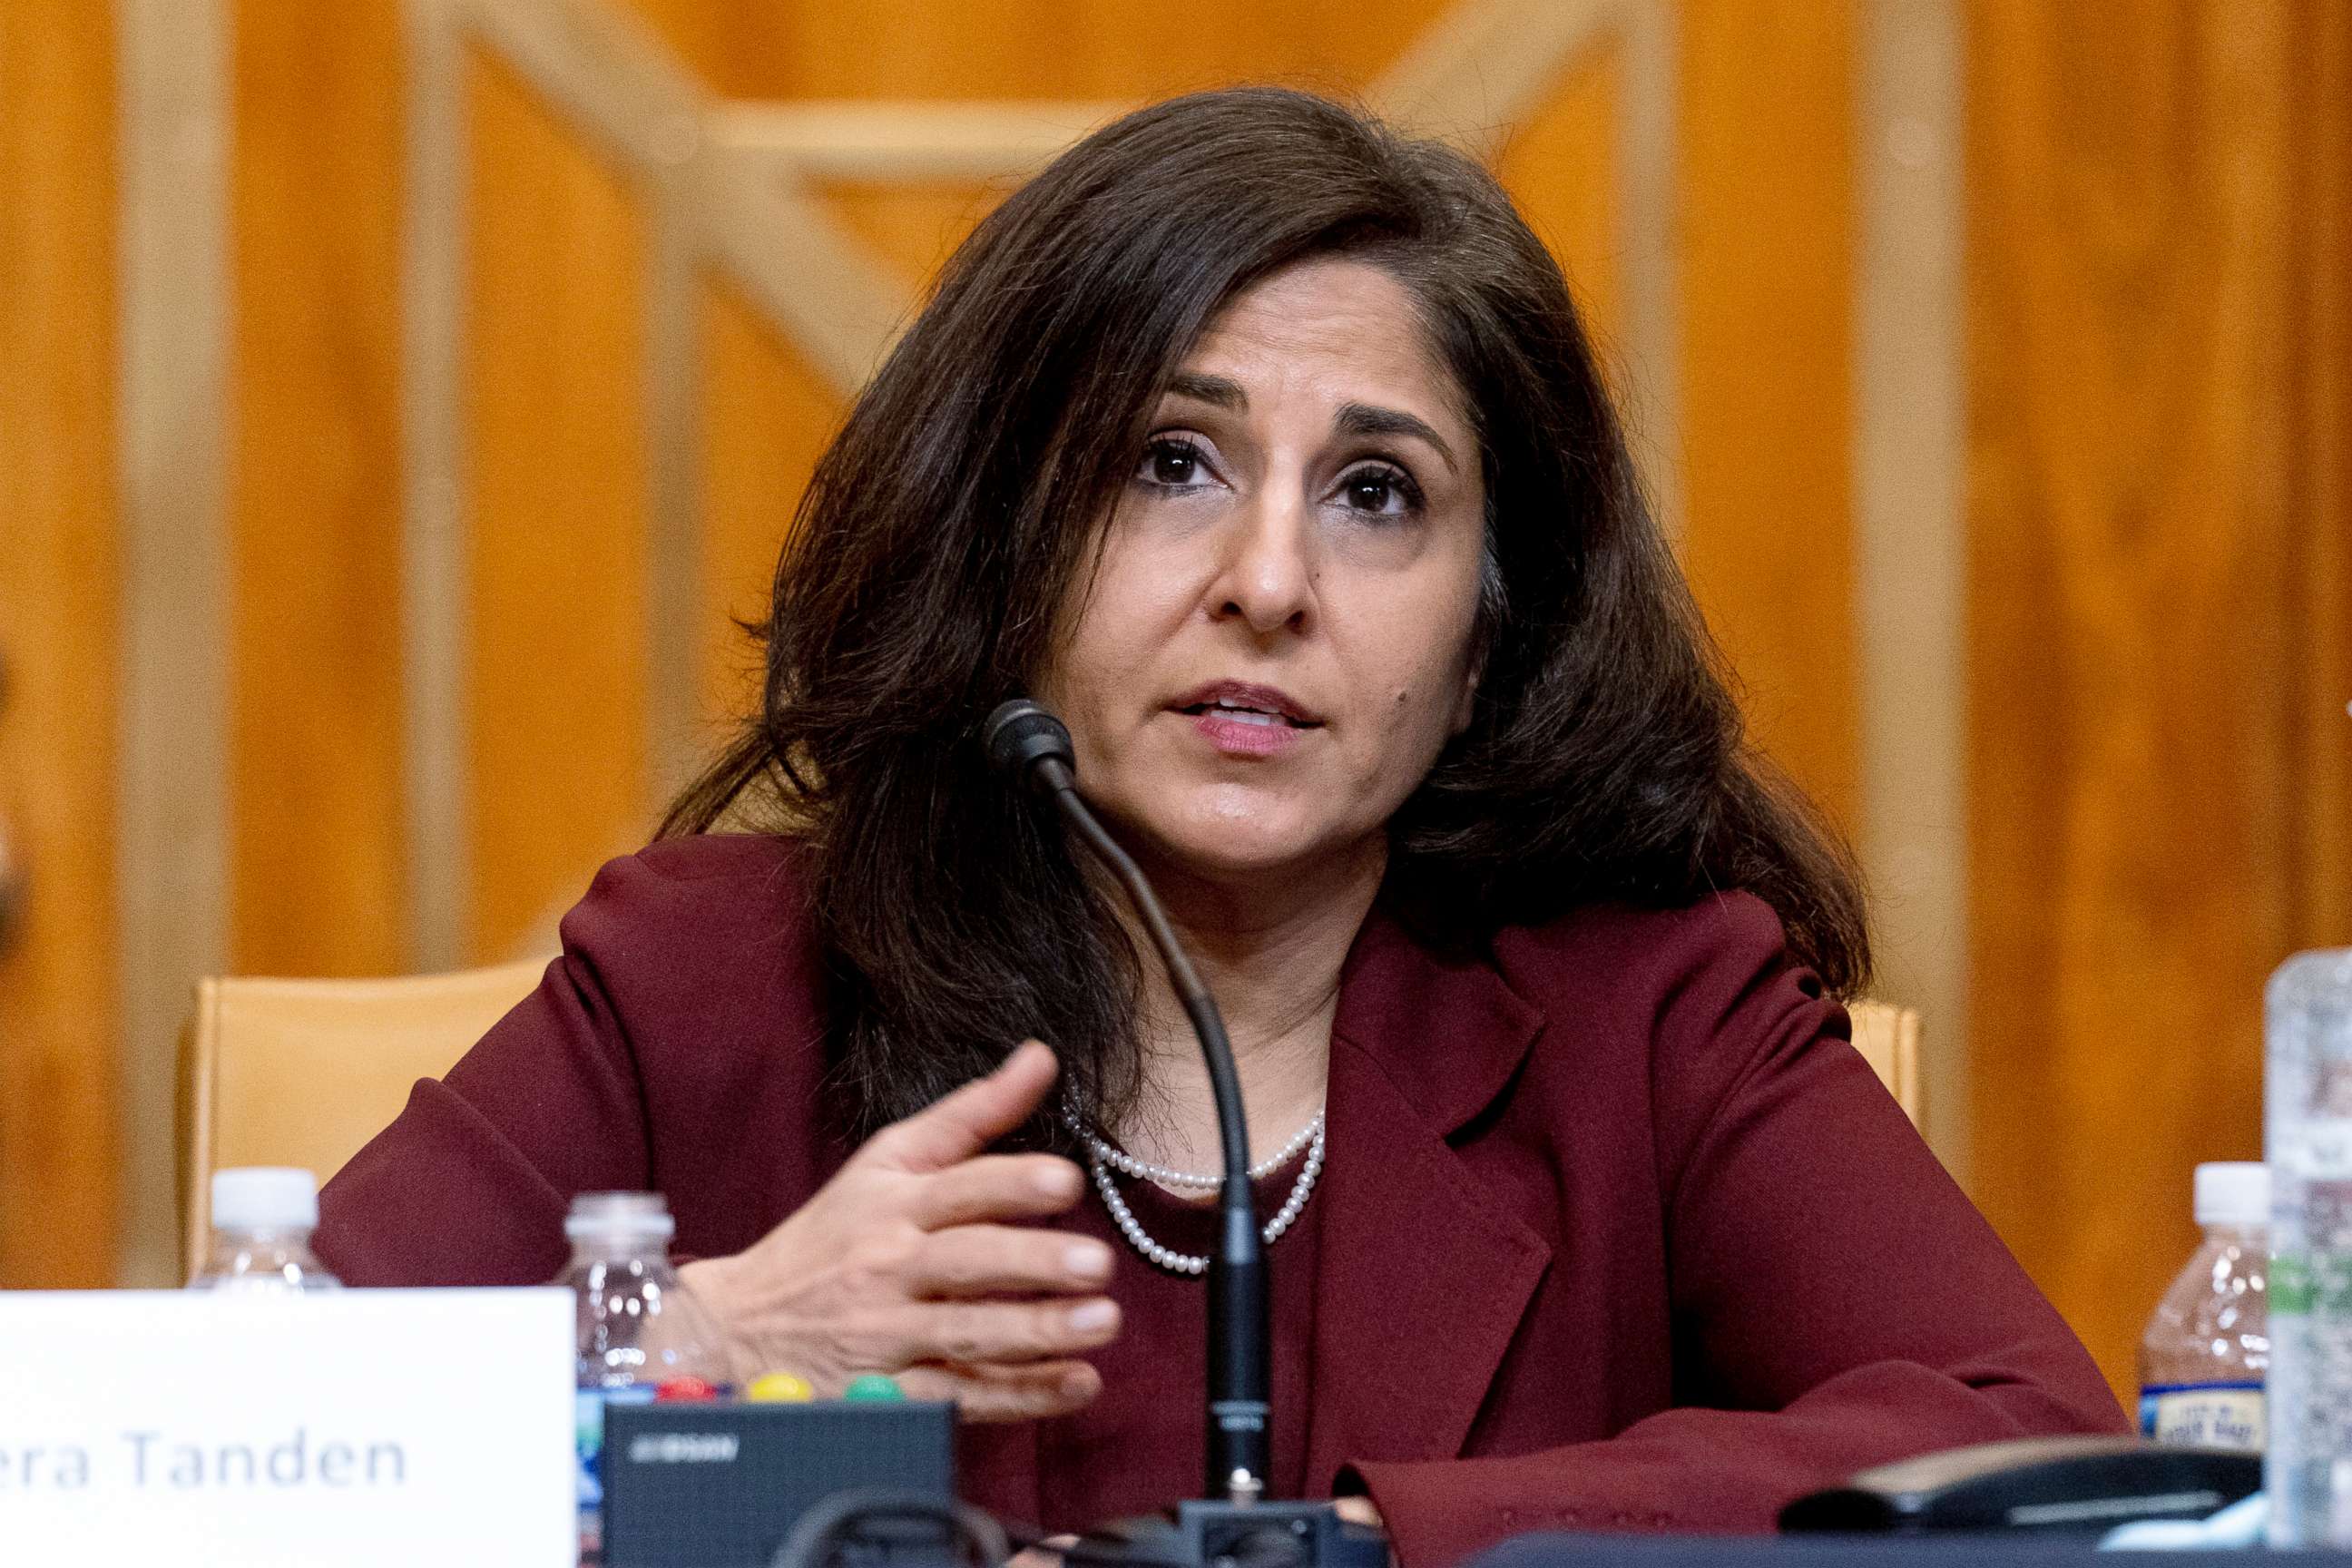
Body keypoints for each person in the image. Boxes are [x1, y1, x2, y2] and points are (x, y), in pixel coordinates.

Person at [317, 86, 2123, 1564]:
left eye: (1376, 495)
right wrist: (701, 1347)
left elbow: (2019, 1444)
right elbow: (225, 1445)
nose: (1266, 583)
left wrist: (1354, 1546)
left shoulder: (1647, 1019)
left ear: (1490, 635)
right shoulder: (710, 984)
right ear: (1010, 539)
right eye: (1169, 464)